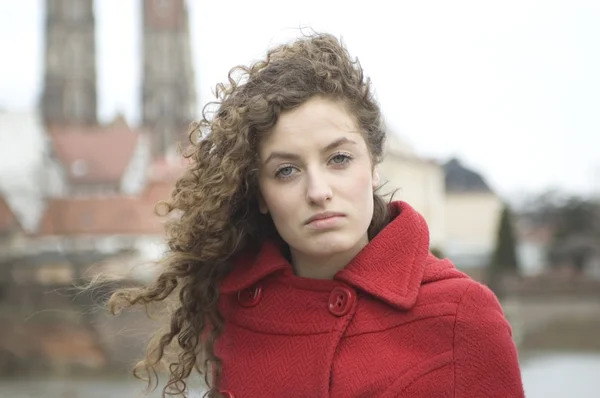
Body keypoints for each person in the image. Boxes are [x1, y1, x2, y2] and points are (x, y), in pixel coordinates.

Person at [109, 32, 525, 397]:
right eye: (286, 170)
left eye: (339, 158)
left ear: (374, 165)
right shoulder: (232, 310)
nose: (318, 192)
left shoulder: (462, 316)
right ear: (260, 195)